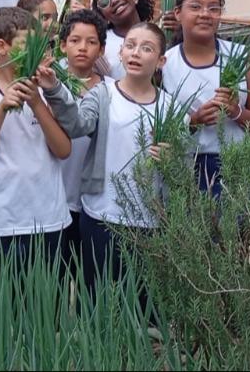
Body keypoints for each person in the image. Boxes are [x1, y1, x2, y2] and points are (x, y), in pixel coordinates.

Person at [42, 22, 179, 297]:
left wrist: (171, 158)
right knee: (96, 297)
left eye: (146, 48)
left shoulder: (170, 107)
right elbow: (77, 125)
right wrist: (55, 90)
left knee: (139, 302)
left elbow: (183, 164)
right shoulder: (104, 94)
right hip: (101, 214)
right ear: (120, 53)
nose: (136, 53)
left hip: (148, 220)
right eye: (130, 45)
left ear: (161, 60)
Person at [0, 7, 71, 272]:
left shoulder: (48, 85)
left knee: (46, 308)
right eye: (27, 44)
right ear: (1, 46)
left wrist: (37, 102)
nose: (35, 51)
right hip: (0, 219)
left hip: (49, 217)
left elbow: (63, 149)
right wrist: (1, 107)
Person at [161, 0, 250, 196]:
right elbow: (154, 128)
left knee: (239, 229)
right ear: (177, 13)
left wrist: (235, 111)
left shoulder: (242, 57)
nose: (205, 14)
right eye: (195, 7)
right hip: (185, 166)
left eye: (214, 8)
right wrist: (193, 122)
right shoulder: (165, 64)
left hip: (238, 165)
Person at [54, 9, 106, 264]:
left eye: (92, 42)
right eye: (75, 41)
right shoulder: (47, 83)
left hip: (87, 201)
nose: (82, 48)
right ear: (63, 45)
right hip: (51, 197)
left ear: (102, 49)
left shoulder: (110, 92)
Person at [89, 0, 155, 80]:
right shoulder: (102, 43)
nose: (114, 1)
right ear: (103, 16)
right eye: (104, 2)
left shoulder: (157, 35)